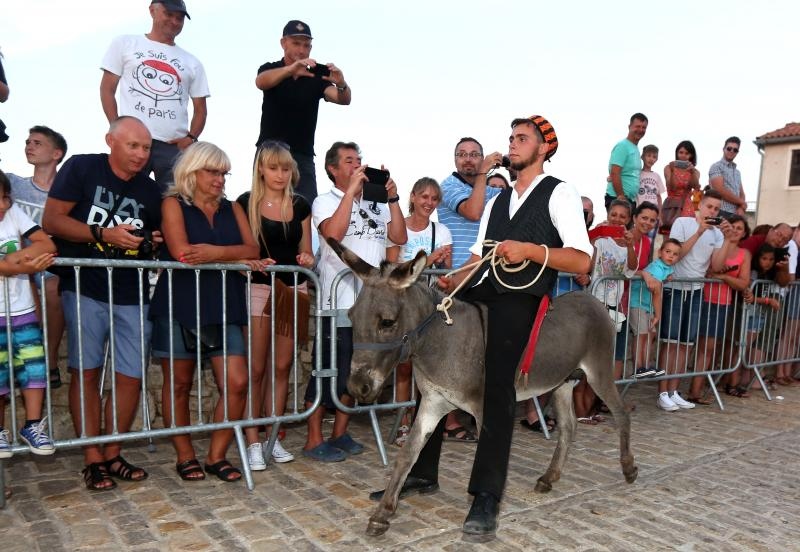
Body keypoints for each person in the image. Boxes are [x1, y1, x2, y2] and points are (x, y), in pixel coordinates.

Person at [380, 115, 592, 538]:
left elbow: (582, 259)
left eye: (522, 138)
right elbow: (478, 256)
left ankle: (487, 494)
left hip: (522, 297)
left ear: (544, 148)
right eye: (511, 137)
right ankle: (423, 472)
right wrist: (455, 279)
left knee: (497, 383)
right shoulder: (497, 200)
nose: (512, 144)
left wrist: (530, 250)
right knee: (433, 351)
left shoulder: (559, 193)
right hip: (481, 289)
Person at [42, 116, 163, 491]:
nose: (141, 154)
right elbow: (52, 220)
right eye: (133, 145)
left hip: (132, 292)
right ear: (111, 141)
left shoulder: (150, 190)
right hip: (84, 286)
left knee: (131, 376)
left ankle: (113, 453)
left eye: (146, 148)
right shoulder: (82, 167)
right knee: (87, 372)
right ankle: (92, 458)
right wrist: (102, 233)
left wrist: (151, 241)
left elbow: (154, 237)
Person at [150, 142, 260, 483]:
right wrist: (233, 255)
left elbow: (253, 248)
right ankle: (185, 456)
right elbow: (183, 253)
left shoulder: (233, 208)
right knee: (178, 384)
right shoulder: (172, 204)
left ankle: (216, 455)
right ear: (191, 171)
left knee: (237, 382)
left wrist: (213, 252)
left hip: (225, 303)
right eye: (212, 171)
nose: (220, 179)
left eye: (224, 173)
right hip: (178, 302)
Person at [303, 141, 406, 462]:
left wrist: (393, 198)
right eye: (349, 161)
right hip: (337, 301)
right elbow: (333, 234)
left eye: (359, 160)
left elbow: (399, 237)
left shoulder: (377, 204)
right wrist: (350, 193)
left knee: (355, 370)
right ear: (333, 168)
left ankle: (340, 433)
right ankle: (313, 439)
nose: (357, 165)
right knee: (325, 370)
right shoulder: (324, 201)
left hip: (369, 308)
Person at [236, 142, 315, 469]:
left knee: (282, 367)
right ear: (261, 169)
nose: (280, 175)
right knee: (256, 369)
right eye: (273, 168)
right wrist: (246, 262)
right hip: (257, 289)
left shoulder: (300, 205)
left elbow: (308, 251)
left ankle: (272, 437)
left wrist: (307, 258)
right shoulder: (244, 203)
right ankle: (252, 440)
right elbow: (240, 251)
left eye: (285, 168)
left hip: (293, 289)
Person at [100, 0, 209, 193]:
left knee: (175, 200)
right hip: (132, 140)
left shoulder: (192, 62)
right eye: (169, 14)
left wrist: (191, 138)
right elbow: (107, 89)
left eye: (180, 18)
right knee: (122, 193)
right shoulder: (125, 43)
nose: (174, 21)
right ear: (152, 11)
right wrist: (117, 128)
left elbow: (201, 108)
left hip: (173, 147)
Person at [653, 189, 735, 412]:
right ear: (700, 205)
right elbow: (676, 255)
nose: (713, 212)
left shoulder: (717, 234)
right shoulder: (683, 223)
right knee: (670, 343)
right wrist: (699, 232)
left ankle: (674, 391)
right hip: (675, 288)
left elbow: (716, 266)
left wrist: (728, 239)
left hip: (697, 291)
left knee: (685, 345)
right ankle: (662, 393)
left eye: (717, 209)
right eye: (709, 207)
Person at [255, 20, 351, 204]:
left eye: (306, 45)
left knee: (306, 207)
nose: (301, 50)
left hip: (302, 155)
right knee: (265, 207)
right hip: (270, 151)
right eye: (296, 43)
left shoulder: (316, 76)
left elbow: (343, 99)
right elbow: (261, 82)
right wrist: (290, 70)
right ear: (283, 43)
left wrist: (341, 83)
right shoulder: (270, 68)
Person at [0, 169, 57, 459]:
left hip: (22, 309)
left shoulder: (14, 214)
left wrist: (13, 260)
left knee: (34, 367)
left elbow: (47, 245)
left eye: (5, 198)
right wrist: (22, 265)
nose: (3, 205)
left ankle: (32, 425)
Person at [391, 177, 452, 446]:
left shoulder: (442, 231)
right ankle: (403, 422)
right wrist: (428, 260)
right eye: (424, 196)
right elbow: (393, 270)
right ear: (413, 197)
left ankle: (424, 423)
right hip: (403, 306)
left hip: (429, 309)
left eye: (434, 198)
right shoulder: (397, 227)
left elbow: (446, 274)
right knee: (404, 368)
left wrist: (444, 279)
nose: (429, 202)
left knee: (427, 369)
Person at [7, 125, 68, 388]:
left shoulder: (67, 194)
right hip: (18, 263)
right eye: (28, 142)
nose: (29, 146)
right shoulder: (14, 184)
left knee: (54, 287)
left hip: (51, 262)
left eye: (37, 143)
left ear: (56, 153)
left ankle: (50, 359)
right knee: (27, 284)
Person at [573, 199, 637, 419]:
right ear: (608, 214)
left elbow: (631, 269)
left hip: (612, 309)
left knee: (601, 364)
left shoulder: (628, 244)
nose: (617, 219)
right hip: (594, 306)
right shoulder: (599, 240)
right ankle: (580, 412)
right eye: (614, 214)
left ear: (628, 220)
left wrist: (630, 245)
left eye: (622, 216)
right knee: (586, 363)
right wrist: (594, 238)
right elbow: (587, 265)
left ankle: (590, 410)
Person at [688, 215, 751, 402]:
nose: (735, 230)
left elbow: (743, 283)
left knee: (707, 349)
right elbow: (706, 270)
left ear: (744, 233)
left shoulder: (744, 254)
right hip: (700, 296)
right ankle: (677, 390)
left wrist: (723, 277)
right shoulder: (714, 244)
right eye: (732, 226)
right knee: (689, 346)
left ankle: (695, 391)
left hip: (721, 303)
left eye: (739, 228)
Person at [438, 137, 504, 269]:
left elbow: (522, 197)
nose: (468, 159)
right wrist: (483, 171)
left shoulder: (491, 192)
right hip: (455, 273)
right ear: (455, 160)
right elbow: (473, 213)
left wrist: (515, 167)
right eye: (462, 154)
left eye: (474, 155)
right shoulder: (447, 186)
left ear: (482, 159)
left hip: (485, 273)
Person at [628, 238, 682, 378]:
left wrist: (667, 277)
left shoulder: (666, 268)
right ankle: (638, 367)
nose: (671, 256)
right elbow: (656, 293)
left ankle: (647, 366)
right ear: (659, 252)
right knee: (641, 335)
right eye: (668, 252)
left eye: (675, 254)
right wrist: (658, 315)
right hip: (638, 302)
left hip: (648, 304)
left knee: (650, 334)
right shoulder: (657, 268)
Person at [605, 113, 648, 210]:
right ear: (629, 127)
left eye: (644, 127)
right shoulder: (623, 146)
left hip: (630, 200)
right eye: (637, 126)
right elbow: (615, 172)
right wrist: (620, 196)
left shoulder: (635, 148)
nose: (641, 130)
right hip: (618, 199)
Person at [661, 140, 701, 235]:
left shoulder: (695, 171)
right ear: (677, 153)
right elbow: (672, 187)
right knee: (668, 235)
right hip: (671, 205)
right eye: (681, 152)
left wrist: (692, 172)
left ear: (691, 155)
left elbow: (696, 187)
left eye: (687, 153)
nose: (683, 155)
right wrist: (672, 171)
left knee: (685, 236)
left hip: (686, 206)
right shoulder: (668, 167)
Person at [709, 137, 747, 219]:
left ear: (737, 152)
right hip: (720, 211)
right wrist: (742, 203)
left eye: (735, 150)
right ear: (723, 149)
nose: (732, 151)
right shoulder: (716, 166)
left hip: (736, 214)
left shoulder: (737, 172)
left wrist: (741, 208)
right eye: (729, 148)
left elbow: (741, 193)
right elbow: (719, 190)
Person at [637, 145, 664, 212]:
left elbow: (658, 196)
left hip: (653, 211)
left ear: (656, 159)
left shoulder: (656, 176)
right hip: (640, 210)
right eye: (648, 155)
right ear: (642, 157)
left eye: (654, 157)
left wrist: (660, 213)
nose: (651, 159)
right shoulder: (637, 174)